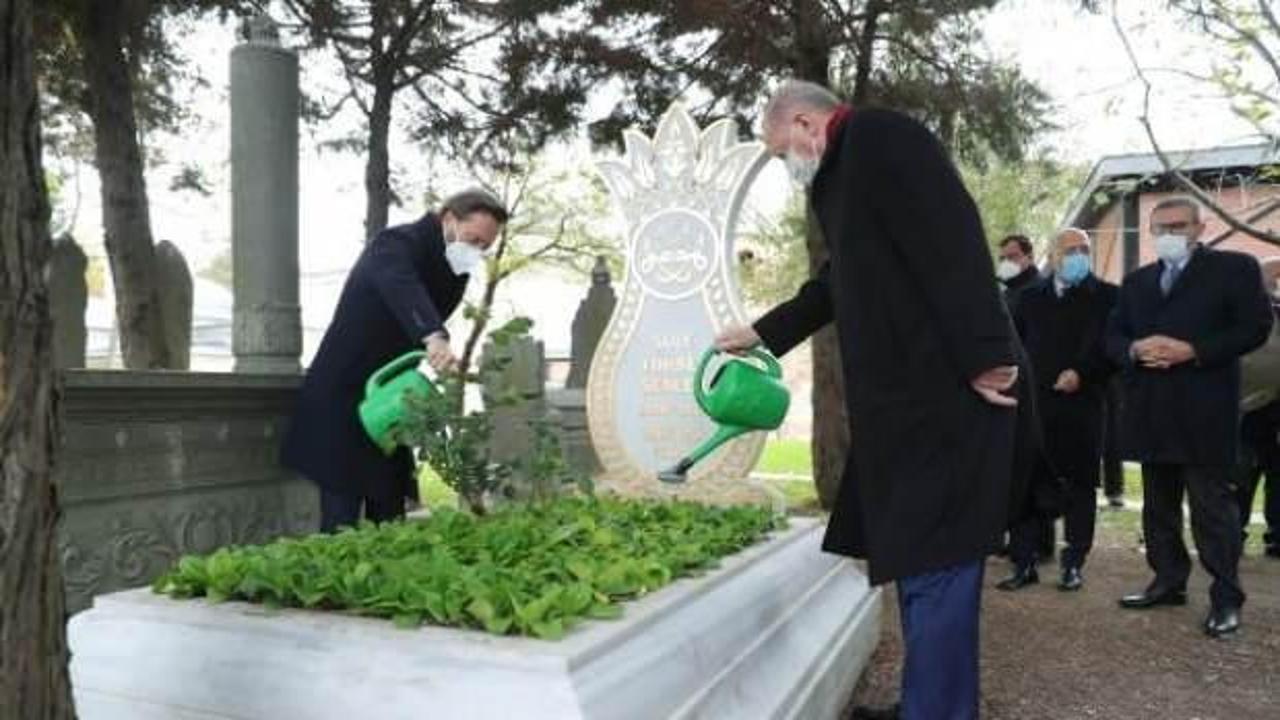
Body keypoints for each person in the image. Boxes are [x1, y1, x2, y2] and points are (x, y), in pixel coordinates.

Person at [716, 80, 1024, 720]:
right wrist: (763, 332)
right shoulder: (844, 174)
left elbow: (954, 238)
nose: (785, 165)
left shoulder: (881, 137)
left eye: (780, 151)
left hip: (946, 394)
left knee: (939, 560)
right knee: (916, 558)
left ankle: (937, 711)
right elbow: (837, 282)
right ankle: (927, 700)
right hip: (905, 405)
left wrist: (985, 356)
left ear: (805, 124)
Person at [281, 189, 508, 533]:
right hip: (342, 392)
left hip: (390, 396)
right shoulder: (395, 244)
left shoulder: (454, 271)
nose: (476, 251)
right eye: (473, 239)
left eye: (484, 247)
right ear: (449, 218)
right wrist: (433, 335)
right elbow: (401, 285)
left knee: (389, 507)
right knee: (341, 513)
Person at [1106, 196, 1273, 639]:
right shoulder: (1137, 281)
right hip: (1151, 410)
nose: (1168, 235)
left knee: (1212, 509)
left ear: (1200, 228)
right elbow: (1113, 334)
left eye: (1177, 226)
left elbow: (1255, 326)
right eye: (1159, 228)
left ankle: (1226, 597)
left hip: (1205, 410)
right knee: (1158, 508)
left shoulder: (1234, 269)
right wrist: (1134, 349)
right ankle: (1168, 581)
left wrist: (1194, 351)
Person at [999, 228, 1117, 593]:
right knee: (1027, 482)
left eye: (1084, 249)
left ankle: (1073, 562)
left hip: (1083, 405)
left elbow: (1112, 347)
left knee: (1080, 486)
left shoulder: (1108, 296)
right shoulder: (1030, 298)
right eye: (1069, 250)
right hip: (1034, 406)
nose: (1078, 256)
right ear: (1052, 255)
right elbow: (1013, 345)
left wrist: (1083, 372)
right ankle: (1024, 561)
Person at [998, 234, 1041, 304]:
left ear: (1030, 257)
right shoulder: (1011, 285)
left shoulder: (1039, 292)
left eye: (1012, 257)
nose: (1006, 263)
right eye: (1002, 259)